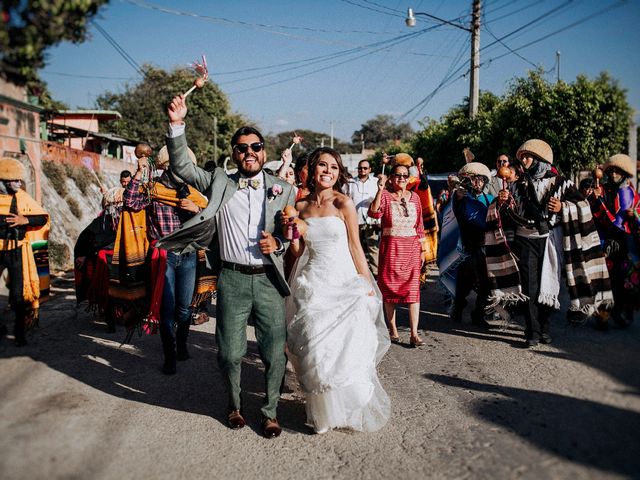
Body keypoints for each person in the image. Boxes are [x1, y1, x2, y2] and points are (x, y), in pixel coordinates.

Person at [158, 94, 296, 438]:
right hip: (232, 279)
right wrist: (177, 125)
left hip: (267, 281)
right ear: (233, 153)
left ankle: (269, 412)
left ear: (264, 151)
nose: (249, 152)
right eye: (242, 148)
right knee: (230, 353)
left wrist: (278, 243)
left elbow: (289, 233)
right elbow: (183, 169)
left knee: (273, 354)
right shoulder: (220, 180)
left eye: (255, 146)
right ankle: (234, 405)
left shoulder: (284, 189)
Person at [285, 147, 390, 434]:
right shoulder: (300, 206)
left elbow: (356, 247)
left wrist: (366, 283)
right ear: (312, 169)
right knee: (317, 349)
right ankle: (322, 413)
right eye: (322, 165)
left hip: (343, 281)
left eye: (333, 167)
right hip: (314, 281)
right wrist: (292, 232)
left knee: (346, 348)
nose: (328, 171)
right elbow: (297, 250)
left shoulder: (345, 203)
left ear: (338, 172)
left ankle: (346, 403)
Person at [487, 139, 612, 347]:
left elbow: (582, 206)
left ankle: (544, 329)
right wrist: (501, 203)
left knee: (549, 285)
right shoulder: (516, 186)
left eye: (528, 157)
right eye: (522, 157)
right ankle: (532, 331)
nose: (523, 160)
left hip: (549, 240)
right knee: (529, 286)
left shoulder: (562, 183)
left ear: (540, 160)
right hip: (525, 239)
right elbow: (507, 217)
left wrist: (563, 206)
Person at [123, 146, 208, 375]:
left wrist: (196, 208)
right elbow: (130, 202)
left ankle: (181, 344)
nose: (182, 169)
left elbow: (209, 215)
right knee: (167, 310)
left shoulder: (191, 192)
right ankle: (169, 355)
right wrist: (138, 173)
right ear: (166, 166)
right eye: (178, 164)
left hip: (188, 254)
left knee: (184, 308)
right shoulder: (152, 189)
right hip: (164, 257)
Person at [369, 161, 427, 347]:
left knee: (413, 290)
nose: (401, 178)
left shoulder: (415, 198)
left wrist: (423, 249)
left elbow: (419, 226)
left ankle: (414, 333)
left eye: (404, 175)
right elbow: (374, 213)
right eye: (397, 175)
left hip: (411, 249)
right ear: (391, 178)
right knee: (389, 290)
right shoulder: (385, 196)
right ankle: (392, 328)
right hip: (391, 249)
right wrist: (379, 190)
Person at [0, 158, 49, 346]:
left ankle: (19, 333)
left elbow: (41, 218)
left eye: (18, 180)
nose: (18, 184)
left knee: (18, 294)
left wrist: (24, 220)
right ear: (3, 181)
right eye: (13, 180)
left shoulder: (21, 197)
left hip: (17, 251)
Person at [588, 154, 640, 329]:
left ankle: (618, 311)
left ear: (624, 173)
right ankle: (602, 315)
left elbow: (630, 219)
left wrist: (635, 215)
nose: (613, 174)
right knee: (604, 278)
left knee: (621, 280)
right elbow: (594, 210)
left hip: (625, 241)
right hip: (605, 239)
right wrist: (594, 197)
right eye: (611, 170)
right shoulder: (603, 189)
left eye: (618, 171)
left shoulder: (631, 193)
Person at [451, 162, 494, 327]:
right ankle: (458, 307)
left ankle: (478, 313)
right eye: (474, 179)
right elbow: (457, 213)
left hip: (486, 246)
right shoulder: (462, 197)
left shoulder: (490, 199)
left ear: (484, 182)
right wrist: (458, 197)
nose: (477, 183)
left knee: (486, 283)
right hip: (467, 246)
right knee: (465, 281)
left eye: (480, 180)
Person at [345, 159, 380, 276]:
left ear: (370, 170)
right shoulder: (350, 183)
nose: (362, 170)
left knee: (373, 247)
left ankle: (375, 272)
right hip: (355, 220)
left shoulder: (375, 182)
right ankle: (355, 272)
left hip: (372, 220)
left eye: (365, 168)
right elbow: (345, 199)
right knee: (355, 247)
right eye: (360, 168)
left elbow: (380, 200)